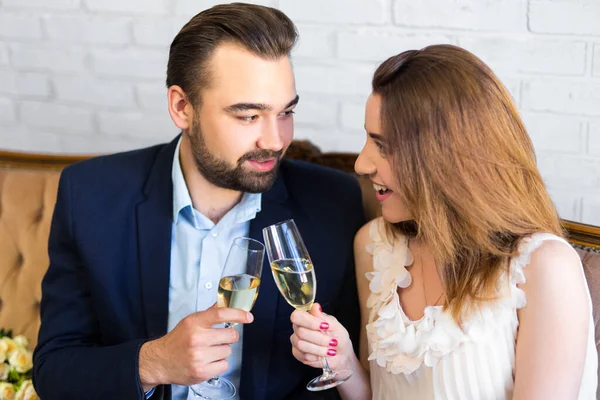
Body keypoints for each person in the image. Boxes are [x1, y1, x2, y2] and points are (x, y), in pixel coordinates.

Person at [32, 3, 364, 399]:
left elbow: (343, 371)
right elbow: (54, 371)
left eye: (286, 112)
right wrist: (153, 362)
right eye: (248, 116)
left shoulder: (334, 203)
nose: (275, 140)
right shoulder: (90, 195)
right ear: (182, 107)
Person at [289, 44, 598, 399]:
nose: (362, 164)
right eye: (368, 139)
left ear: (448, 157)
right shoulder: (374, 246)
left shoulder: (544, 267)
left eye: (384, 146)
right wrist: (341, 362)